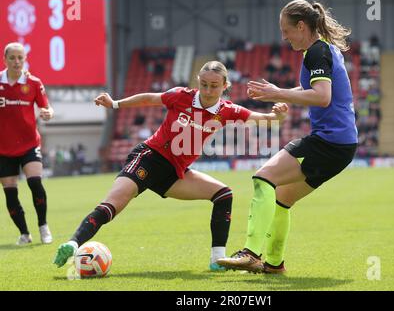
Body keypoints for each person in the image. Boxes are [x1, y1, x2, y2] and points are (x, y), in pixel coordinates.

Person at [53, 61, 288, 271]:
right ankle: (73, 243)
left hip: (174, 174)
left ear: (225, 85)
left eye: (214, 86)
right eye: (204, 84)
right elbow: (148, 98)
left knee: (223, 194)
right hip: (149, 158)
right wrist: (115, 104)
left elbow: (263, 119)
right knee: (112, 205)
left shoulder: (228, 111)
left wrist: (277, 116)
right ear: (198, 81)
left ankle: (217, 259)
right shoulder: (181, 96)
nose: (207, 91)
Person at [217, 0, 358, 273]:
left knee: (263, 178)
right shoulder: (319, 50)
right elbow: (313, 88)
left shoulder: (317, 52)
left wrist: (277, 93)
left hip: (329, 141)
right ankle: (273, 264)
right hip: (341, 145)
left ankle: (250, 253)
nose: (284, 37)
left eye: (286, 30)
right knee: (282, 198)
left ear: (302, 26)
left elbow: (322, 97)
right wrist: (284, 93)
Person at [0, 42, 54, 245]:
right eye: (12, 58)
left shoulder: (33, 83)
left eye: (20, 58)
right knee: (10, 191)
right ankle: (24, 233)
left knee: (35, 182)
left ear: (25, 59)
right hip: (3, 148)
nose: (16, 62)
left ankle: (43, 226)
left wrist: (48, 113)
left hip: (29, 143)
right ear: (5, 60)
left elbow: (46, 107)